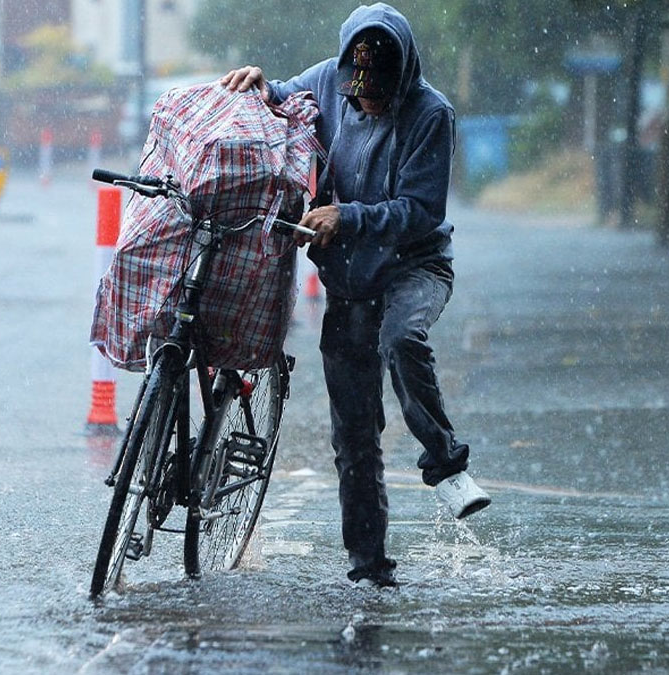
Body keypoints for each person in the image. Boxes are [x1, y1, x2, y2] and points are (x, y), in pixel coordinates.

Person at [221, 2, 489, 588]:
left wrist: (349, 217)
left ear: (403, 77)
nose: (366, 102)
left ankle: (445, 462)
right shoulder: (328, 80)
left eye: (378, 94)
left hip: (414, 266)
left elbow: (421, 212)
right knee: (354, 438)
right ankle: (369, 568)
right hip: (348, 277)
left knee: (402, 338)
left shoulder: (430, 114)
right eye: (358, 93)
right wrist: (261, 85)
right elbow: (287, 96)